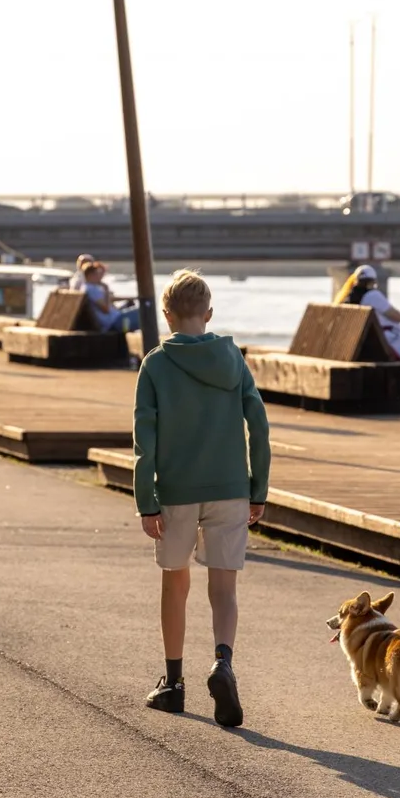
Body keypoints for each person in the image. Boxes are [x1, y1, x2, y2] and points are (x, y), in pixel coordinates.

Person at [135, 270, 270, 729]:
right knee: (224, 587)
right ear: (209, 314)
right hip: (230, 486)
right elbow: (260, 425)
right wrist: (258, 487)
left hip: (175, 490)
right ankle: (222, 662)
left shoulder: (155, 364)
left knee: (175, 581)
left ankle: (173, 683)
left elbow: (144, 438)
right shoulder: (233, 358)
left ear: (167, 316)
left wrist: (145, 498)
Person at [334, 265, 400, 361]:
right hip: (388, 345)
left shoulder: (346, 299)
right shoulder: (372, 296)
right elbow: (398, 317)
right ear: (373, 281)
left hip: (367, 345)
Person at [81, 260, 139, 333]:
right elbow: (106, 309)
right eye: (97, 274)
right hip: (113, 323)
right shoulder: (91, 289)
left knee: (141, 312)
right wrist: (106, 290)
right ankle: (127, 333)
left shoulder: (89, 287)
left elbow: (107, 302)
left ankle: (128, 332)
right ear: (90, 275)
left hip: (116, 319)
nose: (99, 276)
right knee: (144, 311)